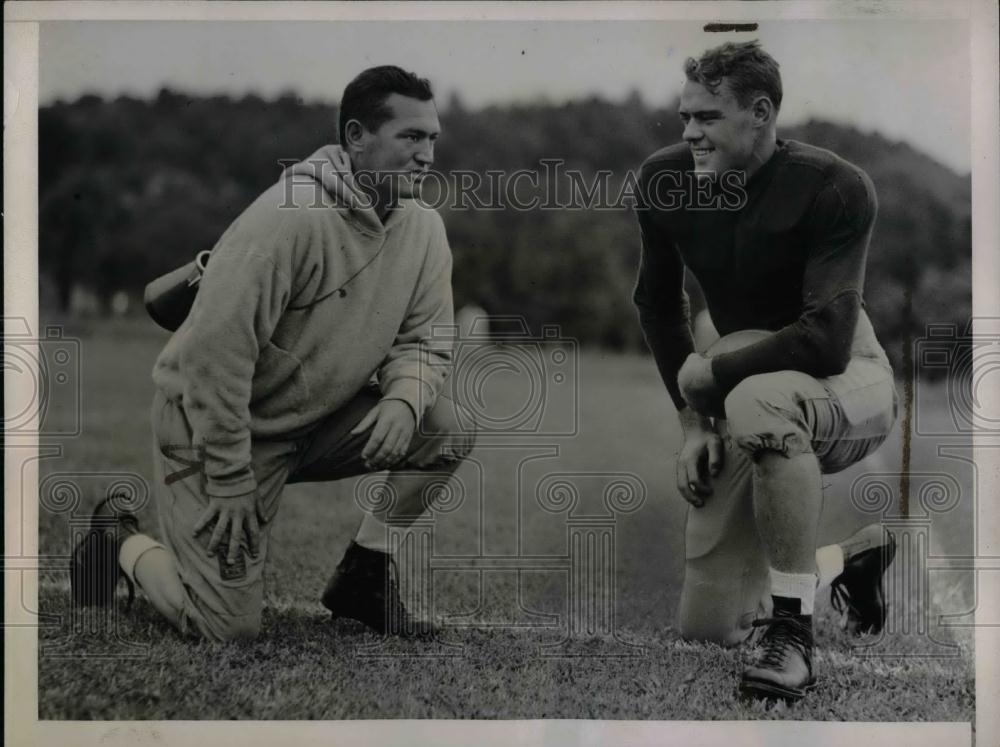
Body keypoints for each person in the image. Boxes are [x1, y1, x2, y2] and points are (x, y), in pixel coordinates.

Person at [71, 65, 476, 641]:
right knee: (225, 629)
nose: (426, 154)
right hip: (214, 431)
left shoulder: (425, 229)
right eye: (410, 137)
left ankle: (365, 573)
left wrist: (405, 400)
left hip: (309, 422)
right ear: (356, 137)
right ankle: (120, 540)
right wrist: (232, 479)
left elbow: (427, 338)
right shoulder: (288, 218)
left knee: (444, 429)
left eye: (432, 138)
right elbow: (213, 357)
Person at [633, 41, 898, 702]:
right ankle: (854, 556)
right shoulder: (665, 179)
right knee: (710, 625)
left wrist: (713, 379)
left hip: (850, 375)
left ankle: (793, 633)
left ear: (760, 113)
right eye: (685, 116)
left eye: (709, 117)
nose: (690, 132)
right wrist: (693, 423)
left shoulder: (832, 184)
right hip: (743, 366)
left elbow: (829, 340)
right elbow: (658, 303)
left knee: (757, 399)